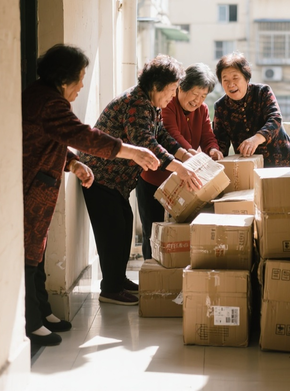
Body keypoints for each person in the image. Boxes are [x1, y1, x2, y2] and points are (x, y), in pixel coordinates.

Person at [22, 44, 160, 347]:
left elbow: (56, 140)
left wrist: (73, 163)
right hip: (30, 189)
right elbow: (84, 135)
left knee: (37, 252)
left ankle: (43, 312)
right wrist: (130, 151)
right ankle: (31, 323)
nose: (82, 85)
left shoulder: (45, 97)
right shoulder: (48, 102)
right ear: (63, 79)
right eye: (80, 78)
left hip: (39, 188)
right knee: (29, 256)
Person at [79, 55, 202, 306]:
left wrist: (183, 153)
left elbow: (161, 136)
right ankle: (110, 289)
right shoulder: (135, 103)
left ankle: (118, 279)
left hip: (116, 182)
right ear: (155, 85)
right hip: (100, 176)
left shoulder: (150, 105)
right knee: (112, 232)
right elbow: (145, 142)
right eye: (169, 91)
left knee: (123, 227)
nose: (171, 97)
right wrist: (179, 168)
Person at [136, 63, 222, 260]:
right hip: (154, 179)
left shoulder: (202, 110)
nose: (198, 100)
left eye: (203, 96)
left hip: (183, 181)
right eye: (195, 94)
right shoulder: (167, 103)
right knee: (153, 231)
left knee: (179, 234)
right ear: (181, 87)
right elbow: (170, 135)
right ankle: (152, 273)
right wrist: (188, 154)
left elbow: (208, 135)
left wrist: (213, 149)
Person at [213, 52, 290, 167]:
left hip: (282, 164)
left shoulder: (262, 92)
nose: (231, 84)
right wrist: (215, 154)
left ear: (246, 78)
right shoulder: (221, 106)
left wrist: (256, 139)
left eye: (235, 78)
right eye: (225, 80)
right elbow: (221, 143)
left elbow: (275, 119)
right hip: (249, 168)